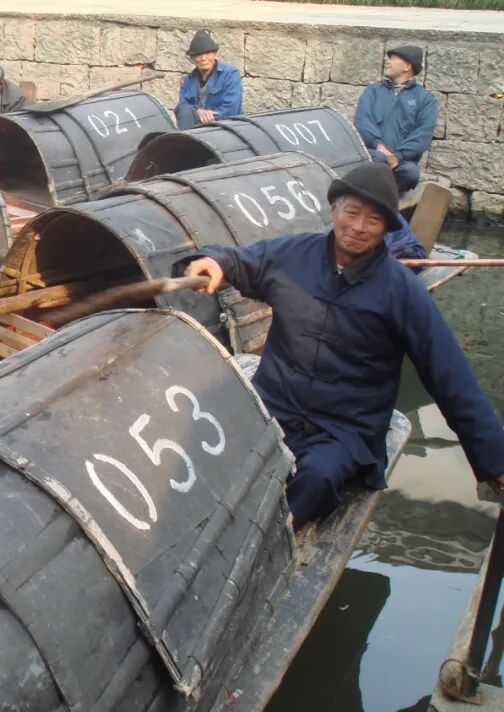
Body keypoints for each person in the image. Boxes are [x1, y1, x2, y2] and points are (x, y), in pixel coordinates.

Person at [177, 162, 504, 528]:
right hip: (274, 406)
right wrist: (212, 262)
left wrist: (494, 459)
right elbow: (239, 261)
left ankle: (268, 538)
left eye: (374, 220)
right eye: (352, 213)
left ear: (387, 229)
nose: (359, 227)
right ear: (333, 211)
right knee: (209, 455)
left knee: (316, 480)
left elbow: (451, 377)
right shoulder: (293, 255)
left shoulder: (403, 292)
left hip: (343, 429)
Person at [354, 45, 437, 193]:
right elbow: (362, 121)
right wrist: (380, 147)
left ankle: (383, 198)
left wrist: (398, 156)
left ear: (407, 66)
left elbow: (423, 134)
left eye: (393, 58)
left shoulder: (425, 99)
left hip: (401, 162)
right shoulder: (373, 91)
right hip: (372, 155)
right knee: (376, 161)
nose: (387, 62)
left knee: (410, 174)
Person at [174, 29, 242, 130]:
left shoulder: (230, 73)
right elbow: (182, 105)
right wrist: (198, 112)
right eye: (198, 55)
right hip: (195, 128)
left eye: (207, 53)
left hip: (223, 126)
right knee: (184, 109)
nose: (203, 58)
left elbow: (231, 108)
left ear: (215, 54)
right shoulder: (188, 80)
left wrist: (208, 117)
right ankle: (185, 139)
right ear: (192, 58)